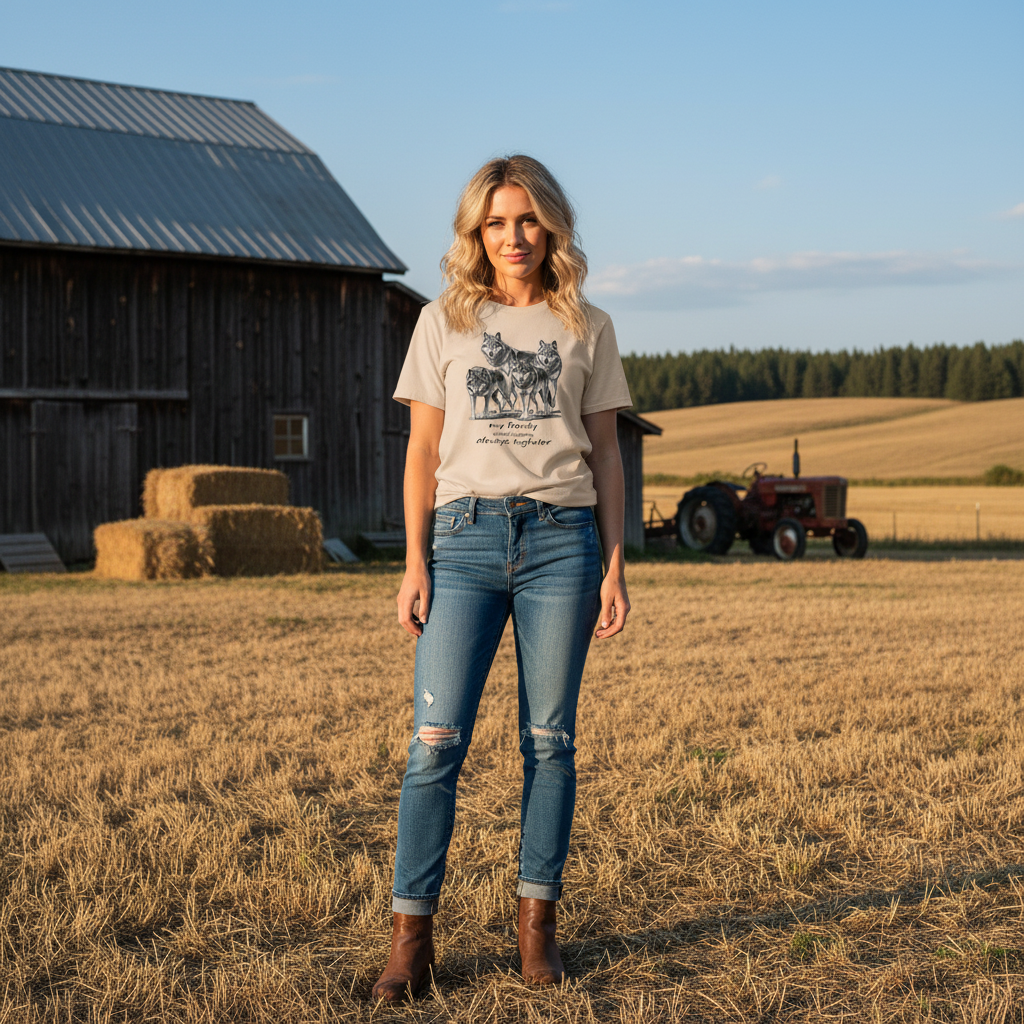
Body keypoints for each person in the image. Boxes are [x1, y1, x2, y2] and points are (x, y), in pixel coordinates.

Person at [372, 154, 632, 1003]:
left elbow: (604, 452)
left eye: (526, 220)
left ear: (550, 225)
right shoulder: (443, 321)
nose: (512, 237)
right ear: (475, 233)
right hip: (464, 541)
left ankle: (537, 930)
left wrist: (616, 562)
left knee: (549, 745)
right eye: (495, 222)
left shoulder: (586, 325)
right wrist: (414, 561)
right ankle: (413, 938)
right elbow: (419, 451)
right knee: (433, 747)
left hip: (563, 544)